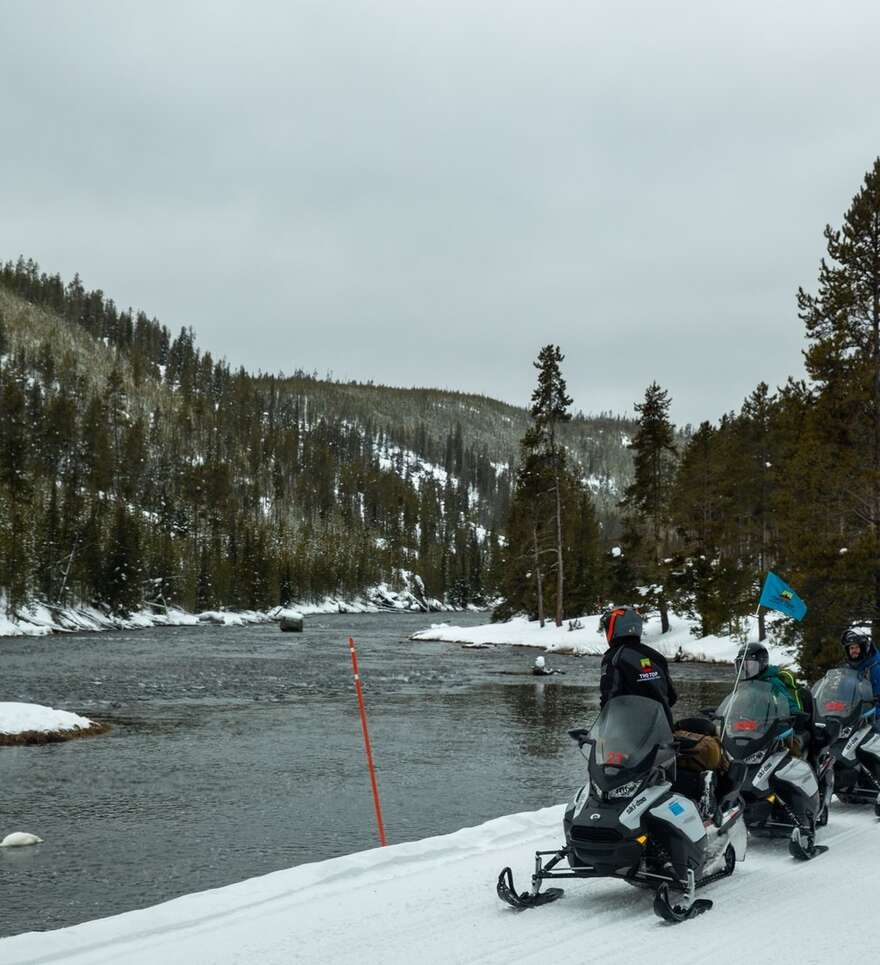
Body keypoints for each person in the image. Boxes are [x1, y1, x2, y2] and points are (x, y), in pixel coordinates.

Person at [599, 605, 677, 725]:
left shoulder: (614, 658)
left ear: (614, 629)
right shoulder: (656, 656)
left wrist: (602, 729)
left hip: (630, 734)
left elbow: (609, 699)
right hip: (663, 729)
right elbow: (672, 697)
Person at [841, 628, 880, 728]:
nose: (853, 651)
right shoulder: (849, 670)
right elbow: (843, 694)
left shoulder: (876, 668)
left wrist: (873, 713)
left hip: (874, 717)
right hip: (852, 718)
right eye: (851, 648)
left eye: (856, 647)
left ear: (864, 647)